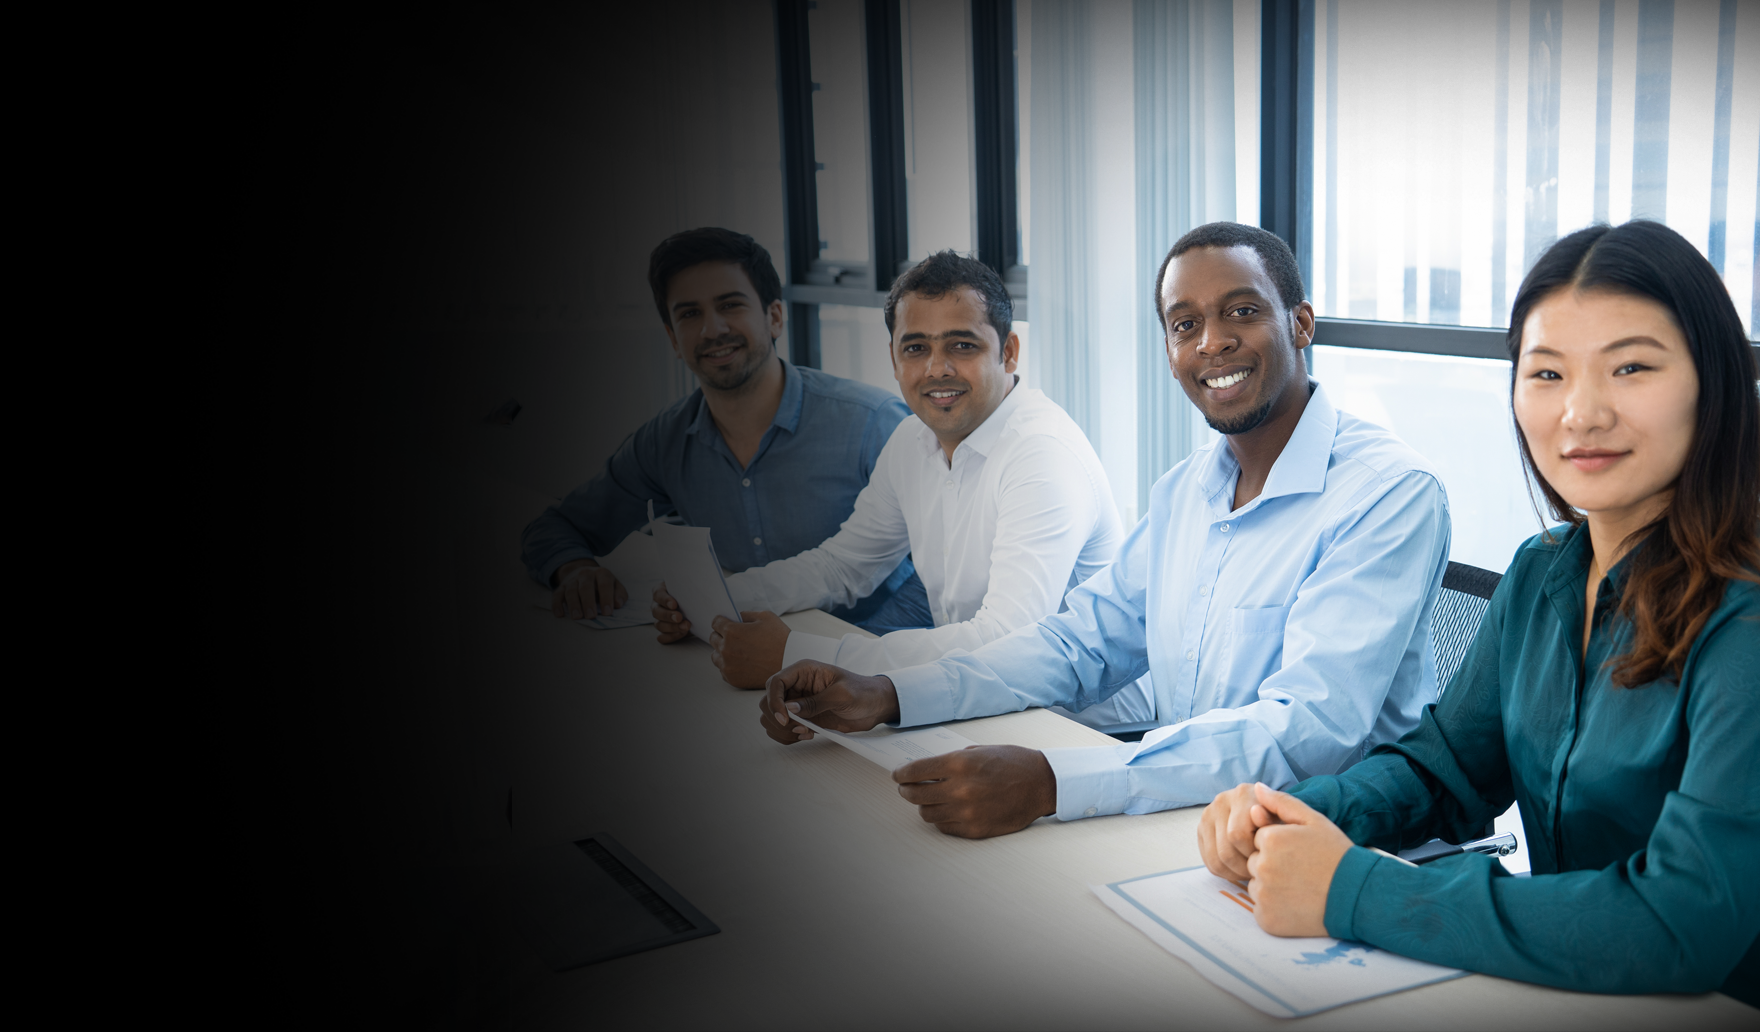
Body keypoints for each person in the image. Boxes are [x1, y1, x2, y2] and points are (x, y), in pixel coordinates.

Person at [1197, 220, 1760, 1029]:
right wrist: (1296, 814)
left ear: (1711, 384)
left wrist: (1353, 891)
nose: (1581, 413)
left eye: (1631, 367)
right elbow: (1446, 772)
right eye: (1547, 373)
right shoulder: (1543, 573)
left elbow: (1680, 922)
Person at [760, 222, 1452, 838]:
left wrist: (1054, 783)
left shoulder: (1387, 492)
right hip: (1196, 820)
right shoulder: (1187, 491)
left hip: (1344, 845)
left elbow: (1308, 732)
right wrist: (890, 692)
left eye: (1241, 312)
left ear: (1300, 324)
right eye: (1185, 324)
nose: (1212, 341)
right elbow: (1079, 644)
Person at [650, 251, 1123, 688]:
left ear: (1010, 351)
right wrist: (720, 598)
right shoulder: (912, 440)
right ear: (894, 360)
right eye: (915, 348)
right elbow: (844, 566)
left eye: (962, 345)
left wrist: (798, 653)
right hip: (983, 696)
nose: (937, 369)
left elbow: (1007, 640)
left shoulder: (1042, 455)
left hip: (1084, 724)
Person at [523, 228, 923, 630]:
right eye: (689, 314)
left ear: (774, 318)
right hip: (729, 654)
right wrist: (574, 570)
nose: (712, 330)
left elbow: (937, 578)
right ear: (673, 338)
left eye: (730, 305)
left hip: (866, 654)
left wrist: (845, 653)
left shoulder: (874, 423)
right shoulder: (665, 441)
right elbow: (555, 527)